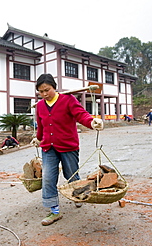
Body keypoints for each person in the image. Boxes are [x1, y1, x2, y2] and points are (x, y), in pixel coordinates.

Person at [30, 73, 104, 226]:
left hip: (68, 146)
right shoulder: (40, 106)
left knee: (71, 174)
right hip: (48, 147)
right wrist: (38, 138)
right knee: (48, 177)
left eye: (47, 90)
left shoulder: (68, 100)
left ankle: (78, 194)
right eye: (41, 91)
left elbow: (81, 115)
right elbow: (41, 125)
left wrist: (92, 122)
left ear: (54, 88)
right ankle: (54, 211)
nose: (44, 94)